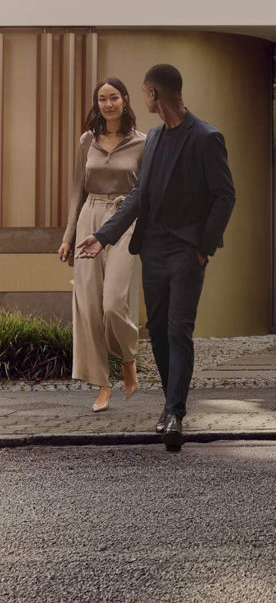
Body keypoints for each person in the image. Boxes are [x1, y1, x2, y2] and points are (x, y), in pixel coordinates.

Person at [78, 64, 235, 451]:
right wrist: (102, 236)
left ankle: (175, 413)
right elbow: (139, 196)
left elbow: (224, 195)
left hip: (186, 252)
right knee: (160, 331)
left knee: (179, 330)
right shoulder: (156, 140)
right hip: (153, 251)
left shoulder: (206, 137)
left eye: (144, 92)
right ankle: (170, 405)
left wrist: (204, 247)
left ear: (153, 95)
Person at [59, 78, 145, 412]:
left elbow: (146, 192)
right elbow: (76, 191)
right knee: (89, 308)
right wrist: (68, 237)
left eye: (113, 98)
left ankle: (126, 359)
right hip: (88, 220)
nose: (107, 104)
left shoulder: (143, 142)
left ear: (125, 100)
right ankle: (102, 385)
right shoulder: (87, 141)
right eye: (102, 99)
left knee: (112, 303)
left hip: (125, 222)